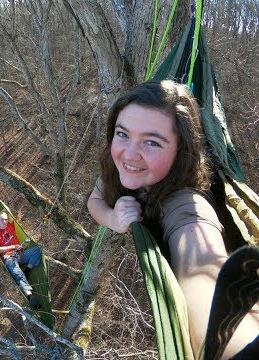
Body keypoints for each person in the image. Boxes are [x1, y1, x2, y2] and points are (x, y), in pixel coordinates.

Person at [87, 80, 259, 359]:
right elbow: (94, 200)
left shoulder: (183, 200)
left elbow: (200, 262)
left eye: (152, 142)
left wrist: (230, 339)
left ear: (180, 152)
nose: (129, 154)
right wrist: (112, 218)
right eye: (122, 134)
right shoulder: (112, 162)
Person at [0, 210, 42, 310]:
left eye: (5, 219)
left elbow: (12, 215)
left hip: (20, 255)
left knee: (37, 250)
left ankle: (27, 271)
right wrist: (13, 246)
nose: (4, 221)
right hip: (9, 257)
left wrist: (5, 212)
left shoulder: (10, 226)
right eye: (1, 219)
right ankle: (30, 296)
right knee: (18, 274)